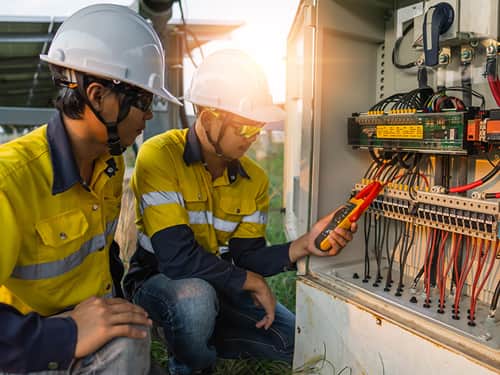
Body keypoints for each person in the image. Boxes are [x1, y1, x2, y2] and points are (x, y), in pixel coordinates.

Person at [123, 49, 357, 375]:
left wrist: (304, 244)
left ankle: (201, 332)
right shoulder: (159, 156)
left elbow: (246, 256)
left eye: (257, 126)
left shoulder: (254, 179)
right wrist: (251, 282)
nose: (254, 137)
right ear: (207, 119)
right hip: (158, 282)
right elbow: (176, 259)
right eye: (244, 127)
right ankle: (190, 360)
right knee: (194, 298)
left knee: (295, 342)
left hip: (219, 283)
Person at [0, 4, 179, 374]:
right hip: (24, 345)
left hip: (84, 320)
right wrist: (65, 335)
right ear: (97, 96)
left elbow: (102, 250)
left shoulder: (110, 165)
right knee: (128, 348)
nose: (149, 114)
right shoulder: (10, 182)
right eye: (144, 100)